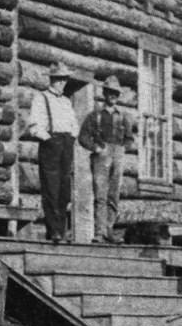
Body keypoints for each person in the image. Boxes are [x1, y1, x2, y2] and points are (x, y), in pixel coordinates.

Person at [78, 75, 136, 243]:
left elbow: (130, 138)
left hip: (117, 154)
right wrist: (96, 148)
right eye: (110, 92)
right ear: (105, 93)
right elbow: (83, 137)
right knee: (100, 194)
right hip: (101, 155)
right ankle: (99, 232)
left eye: (116, 93)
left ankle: (109, 229)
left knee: (114, 194)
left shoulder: (124, 116)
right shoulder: (95, 115)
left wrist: (123, 148)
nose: (113, 96)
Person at [26, 61, 79, 243]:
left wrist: (71, 138)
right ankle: (53, 230)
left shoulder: (66, 101)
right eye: (58, 79)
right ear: (52, 80)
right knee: (51, 188)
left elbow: (74, 125)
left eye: (64, 79)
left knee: (64, 190)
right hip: (50, 144)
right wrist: (48, 139)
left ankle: (61, 231)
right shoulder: (41, 98)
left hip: (66, 145)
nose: (62, 83)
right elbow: (33, 126)